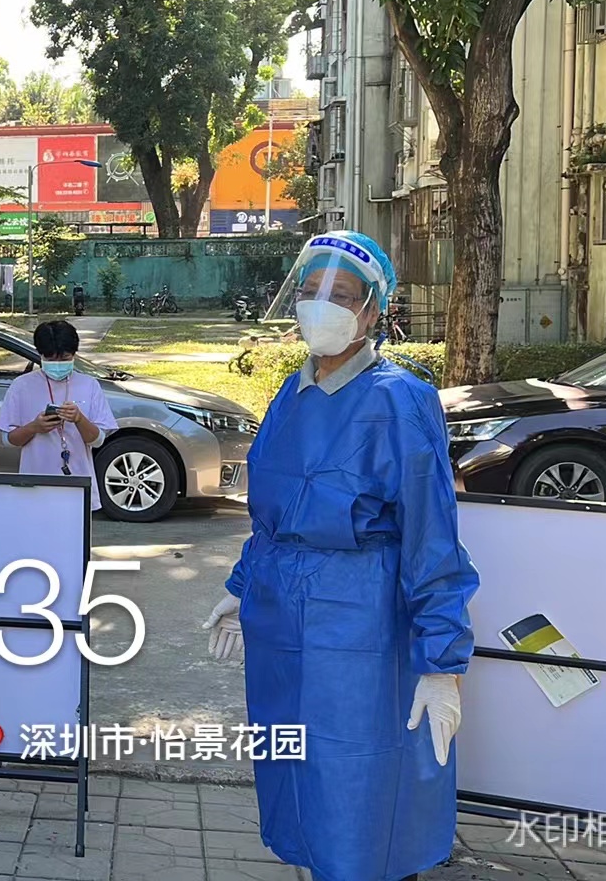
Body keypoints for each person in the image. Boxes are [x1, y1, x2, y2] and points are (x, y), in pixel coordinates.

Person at [205, 230, 479, 881]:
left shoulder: (398, 400)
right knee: (294, 768)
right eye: (310, 291)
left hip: (362, 622)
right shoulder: (291, 394)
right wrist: (243, 587)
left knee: (360, 784)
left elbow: (432, 537)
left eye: (341, 295)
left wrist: (442, 665)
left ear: (374, 310)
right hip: (282, 620)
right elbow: (272, 512)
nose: (320, 306)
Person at [0, 319, 117, 510]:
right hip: (35, 485)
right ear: (40, 355)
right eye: (51, 359)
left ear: (74, 354)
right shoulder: (22, 386)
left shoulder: (89, 385)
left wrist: (79, 419)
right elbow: (9, 440)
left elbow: (98, 440)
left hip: (77, 483)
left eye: (65, 358)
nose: (58, 364)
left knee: (75, 528)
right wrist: (34, 427)